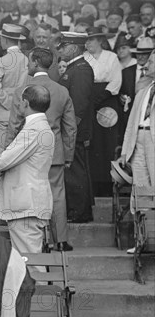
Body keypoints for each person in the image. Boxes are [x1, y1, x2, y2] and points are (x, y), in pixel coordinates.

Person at [7, 48, 77, 252]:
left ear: (36, 62)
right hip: (54, 151)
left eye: (29, 61)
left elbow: (13, 125)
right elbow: (70, 127)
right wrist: (68, 154)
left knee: (29, 193)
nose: (27, 65)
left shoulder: (22, 90)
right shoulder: (62, 90)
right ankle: (60, 240)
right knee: (57, 194)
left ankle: (37, 241)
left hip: (27, 153)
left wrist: (9, 153)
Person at [0, 85, 55, 255]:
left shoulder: (34, 129)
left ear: (25, 103)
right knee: (27, 259)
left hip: (26, 203)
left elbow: (6, 159)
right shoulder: (39, 127)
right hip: (30, 201)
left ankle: (36, 283)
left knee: (29, 261)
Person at [57, 32, 96, 223]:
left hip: (75, 130)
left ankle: (80, 212)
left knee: (75, 170)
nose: (61, 51)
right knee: (73, 170)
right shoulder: (76, 68)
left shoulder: (80, 69)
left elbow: (79, 106)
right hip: (72, 128)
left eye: (63, 47)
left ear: (73, 48)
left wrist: (69, 130)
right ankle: (77, 210)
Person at [83, 27, 123, 196]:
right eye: (87, 40)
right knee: (92, 142)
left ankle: (108, 185)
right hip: (89, 101)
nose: (88, 43)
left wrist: (101, 97)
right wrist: (90, 101)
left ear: (100, 40)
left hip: (108, 100)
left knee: (107, 143)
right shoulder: (84, 58)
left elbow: (116, 80)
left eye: (92, 39)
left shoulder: (111, 57)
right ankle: (93, 186)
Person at [0, 24, 29, 153]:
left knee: (0, 152)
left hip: (1, 113)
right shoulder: (27, 60)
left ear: (5, 39)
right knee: (17, 152)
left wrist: (8, 103)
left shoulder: (2, 61)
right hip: (20, 113)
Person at [120, 50, 155, 188]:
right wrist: (124, 151)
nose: (146, 65)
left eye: (151, 62)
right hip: (138, 138)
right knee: (140, 182)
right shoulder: (143, 89)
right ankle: (144, 210)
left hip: (152, 138)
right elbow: (131, 123)